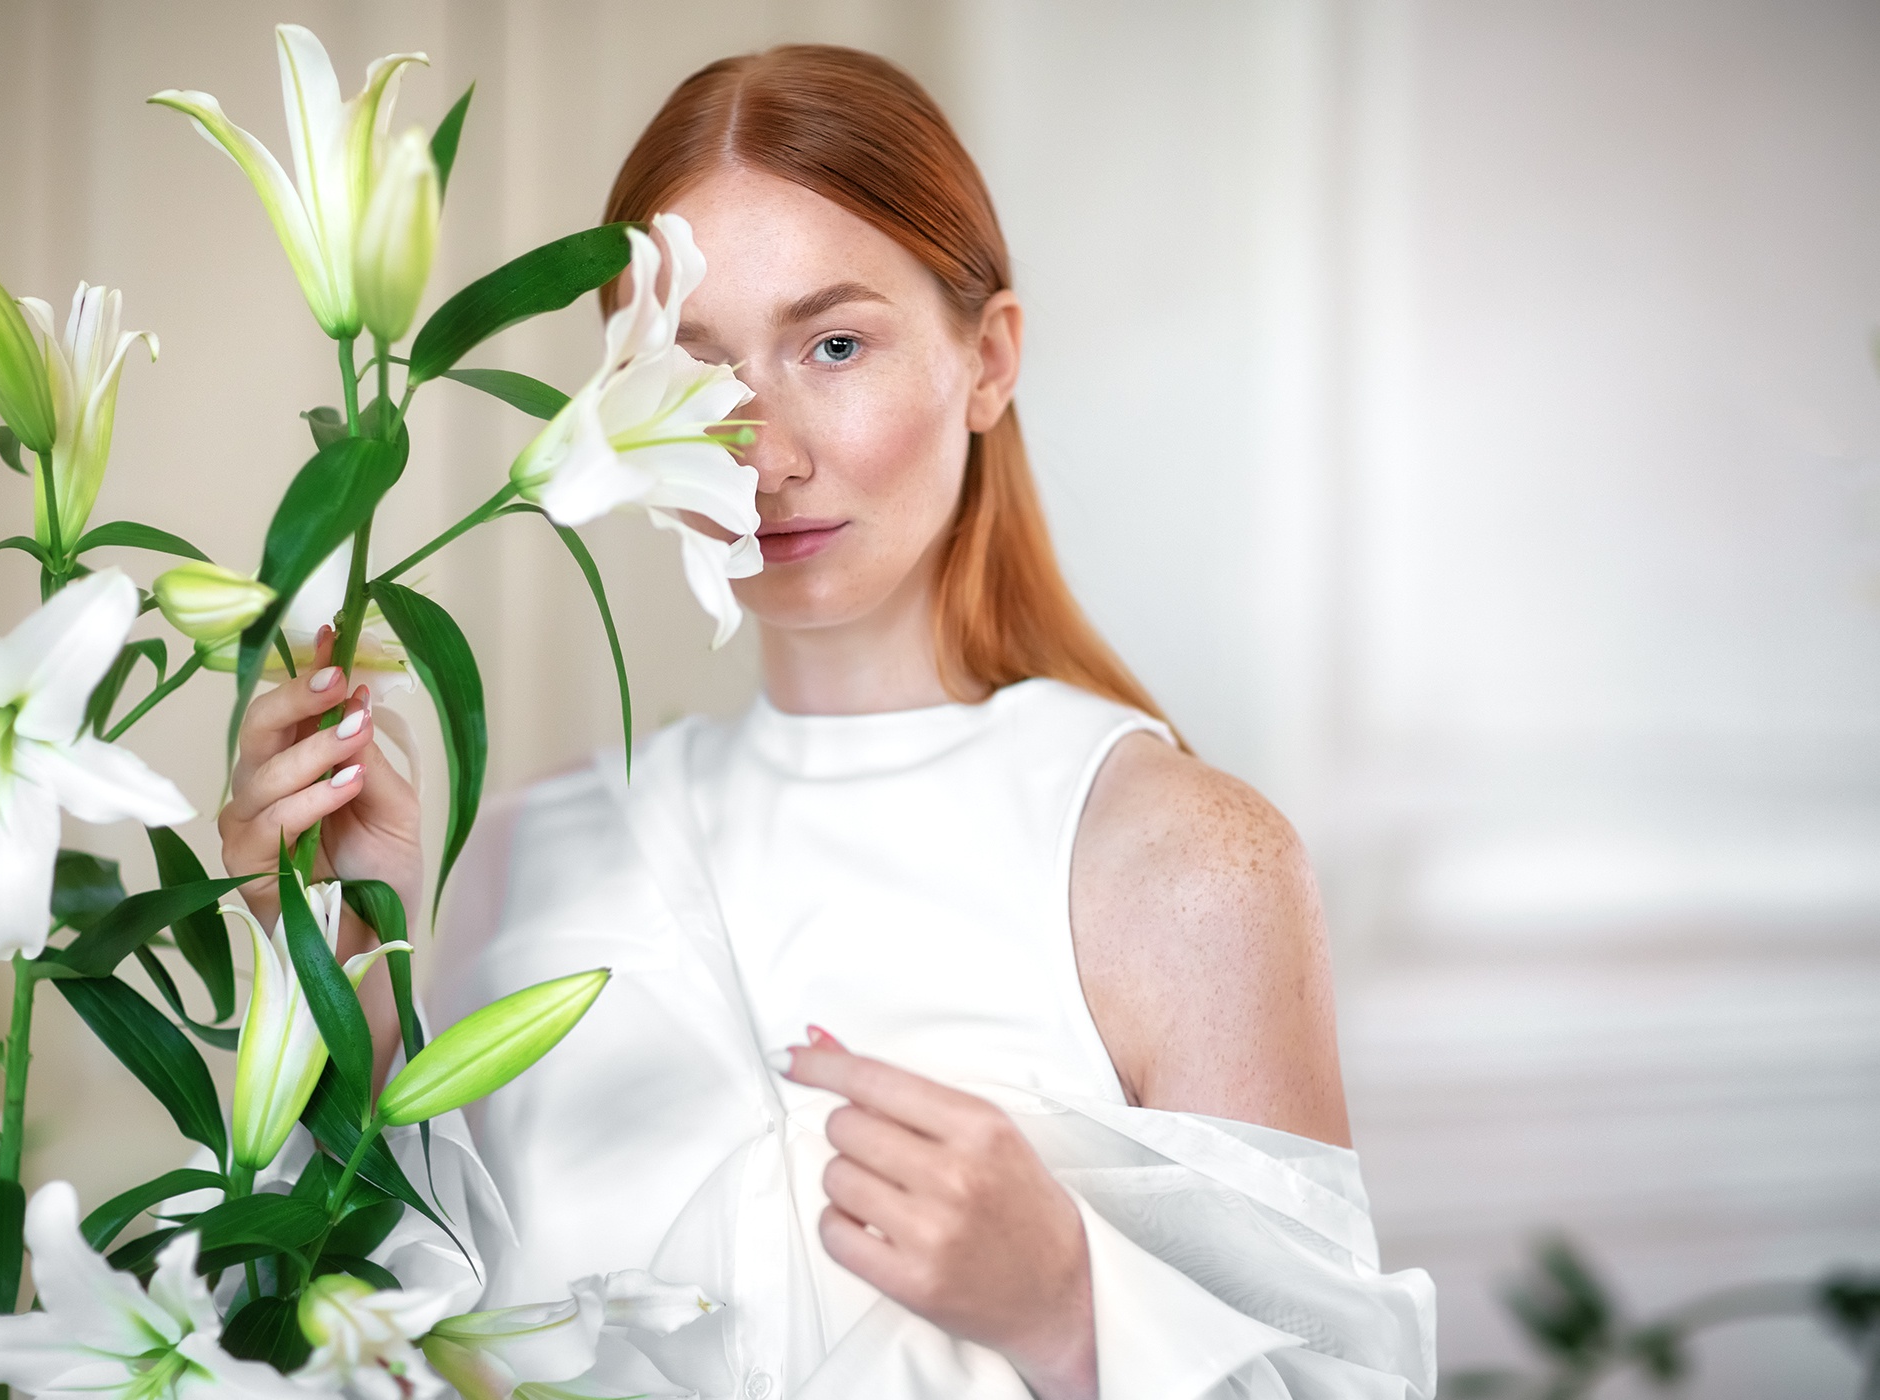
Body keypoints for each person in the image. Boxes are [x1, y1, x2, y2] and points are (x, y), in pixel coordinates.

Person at [220, 44, 1435, 1400]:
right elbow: (362, 1349)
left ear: (989, 361)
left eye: (836, 345)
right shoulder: (527, 854)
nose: (764, 454)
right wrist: (343, 978)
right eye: (692, 370)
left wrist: (1069, 1316)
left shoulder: (1188, 866)